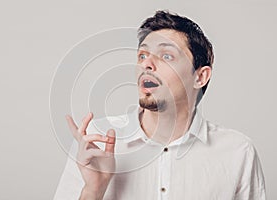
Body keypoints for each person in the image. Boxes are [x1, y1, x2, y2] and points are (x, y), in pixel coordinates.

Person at [54, 10, 266, 200]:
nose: (146, 63)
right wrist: (93, 190)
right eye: (143, 55)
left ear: (200, 77)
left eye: (166, 55)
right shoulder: (95, 141)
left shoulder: (237, 152)